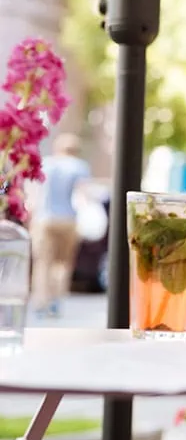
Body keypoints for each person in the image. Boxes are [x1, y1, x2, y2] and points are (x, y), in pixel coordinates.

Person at [31, 133, 92, 317]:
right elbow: (83, 196)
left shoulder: (47, 164)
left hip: (45, 219)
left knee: (43, 263)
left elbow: (35, 192)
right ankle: (56, 302)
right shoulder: (80, 167)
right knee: (63, 263)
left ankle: (42, 301)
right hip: (69, 220)